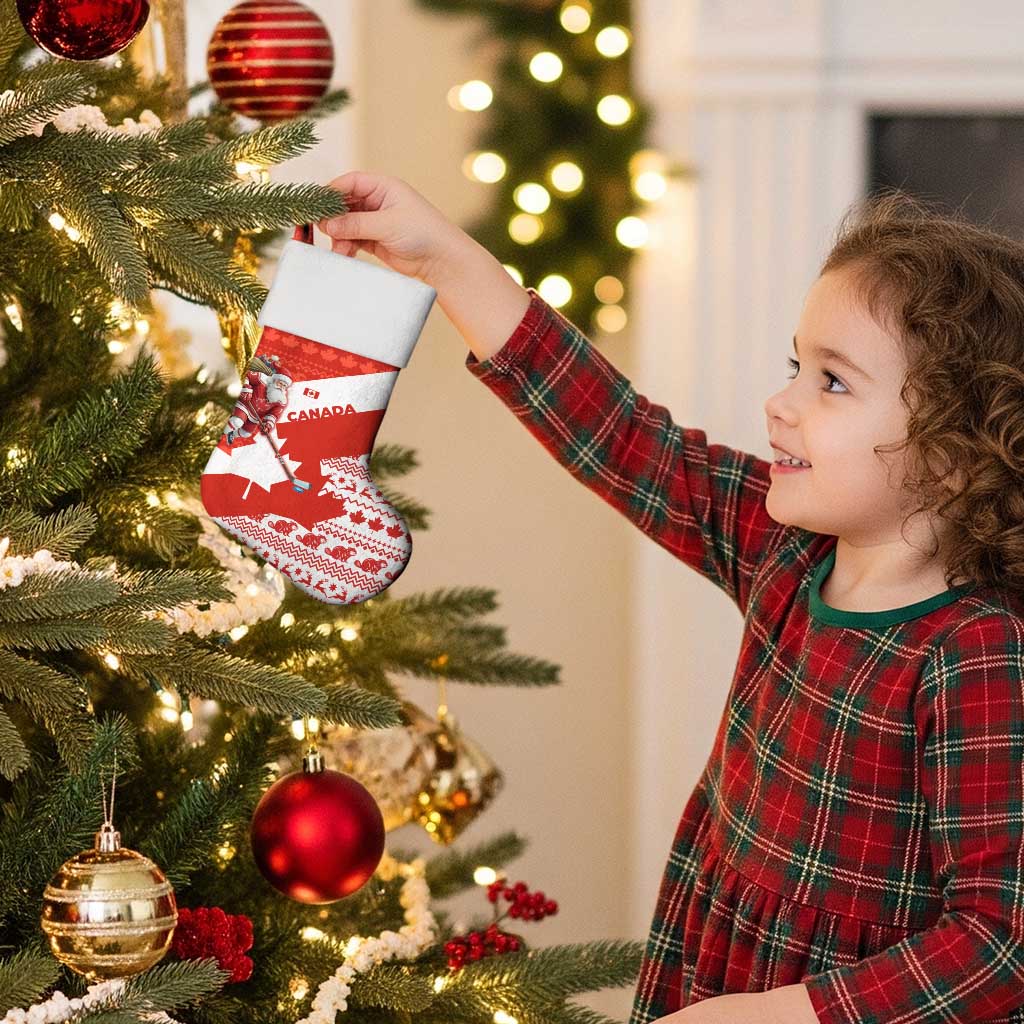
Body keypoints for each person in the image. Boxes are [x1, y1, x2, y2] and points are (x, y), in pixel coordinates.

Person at [316, 174, 1024, 1024]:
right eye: (797, 366)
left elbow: (998, 941)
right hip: (714, 963)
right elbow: (622, 436)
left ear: (955, 453)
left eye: (832, 383)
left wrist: (777, 1016)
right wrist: (452, 262)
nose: (782, 403)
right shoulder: (786, 552)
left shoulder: (978, 652)